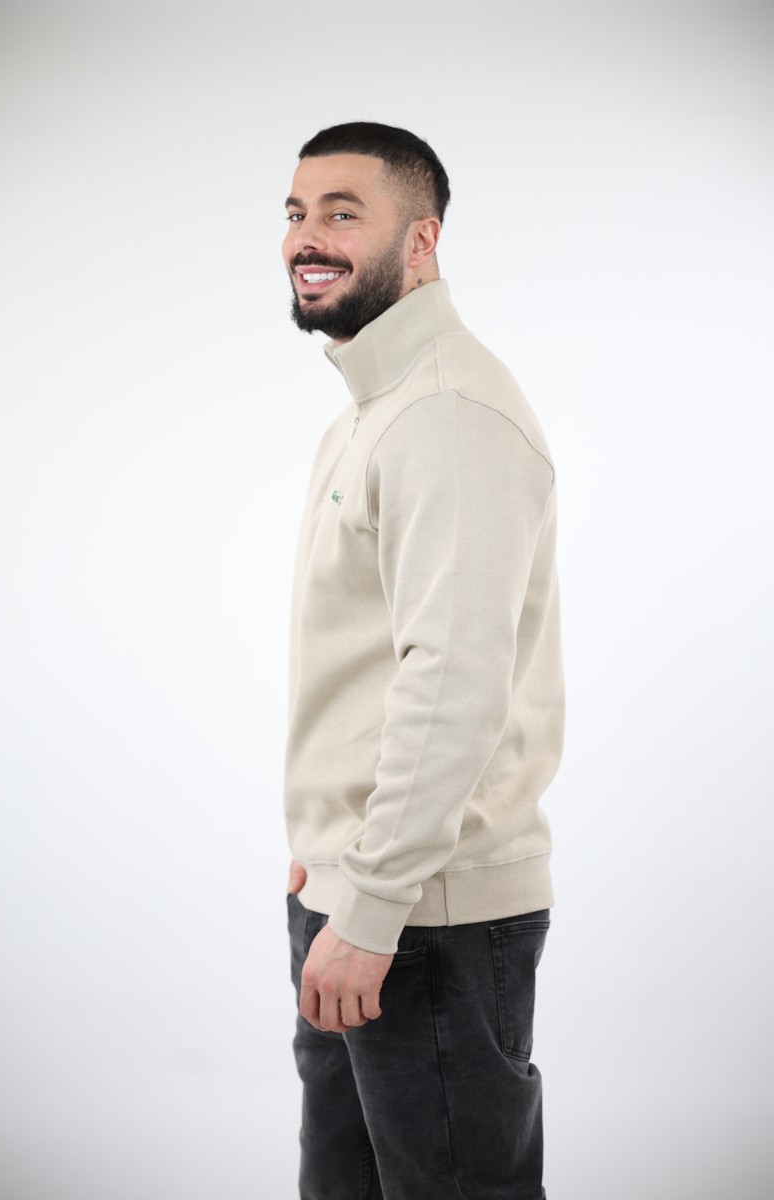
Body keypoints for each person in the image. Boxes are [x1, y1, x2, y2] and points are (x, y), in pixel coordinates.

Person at [281, 121, 564, 1200]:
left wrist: (369, 901)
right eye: (297, 213)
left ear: (422, 238)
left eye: (343, 212)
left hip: (422, 919)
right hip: (360, 892)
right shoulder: (374, 412)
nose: (307, 237)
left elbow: (451, 685)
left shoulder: (444, 414)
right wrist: (328, 858)